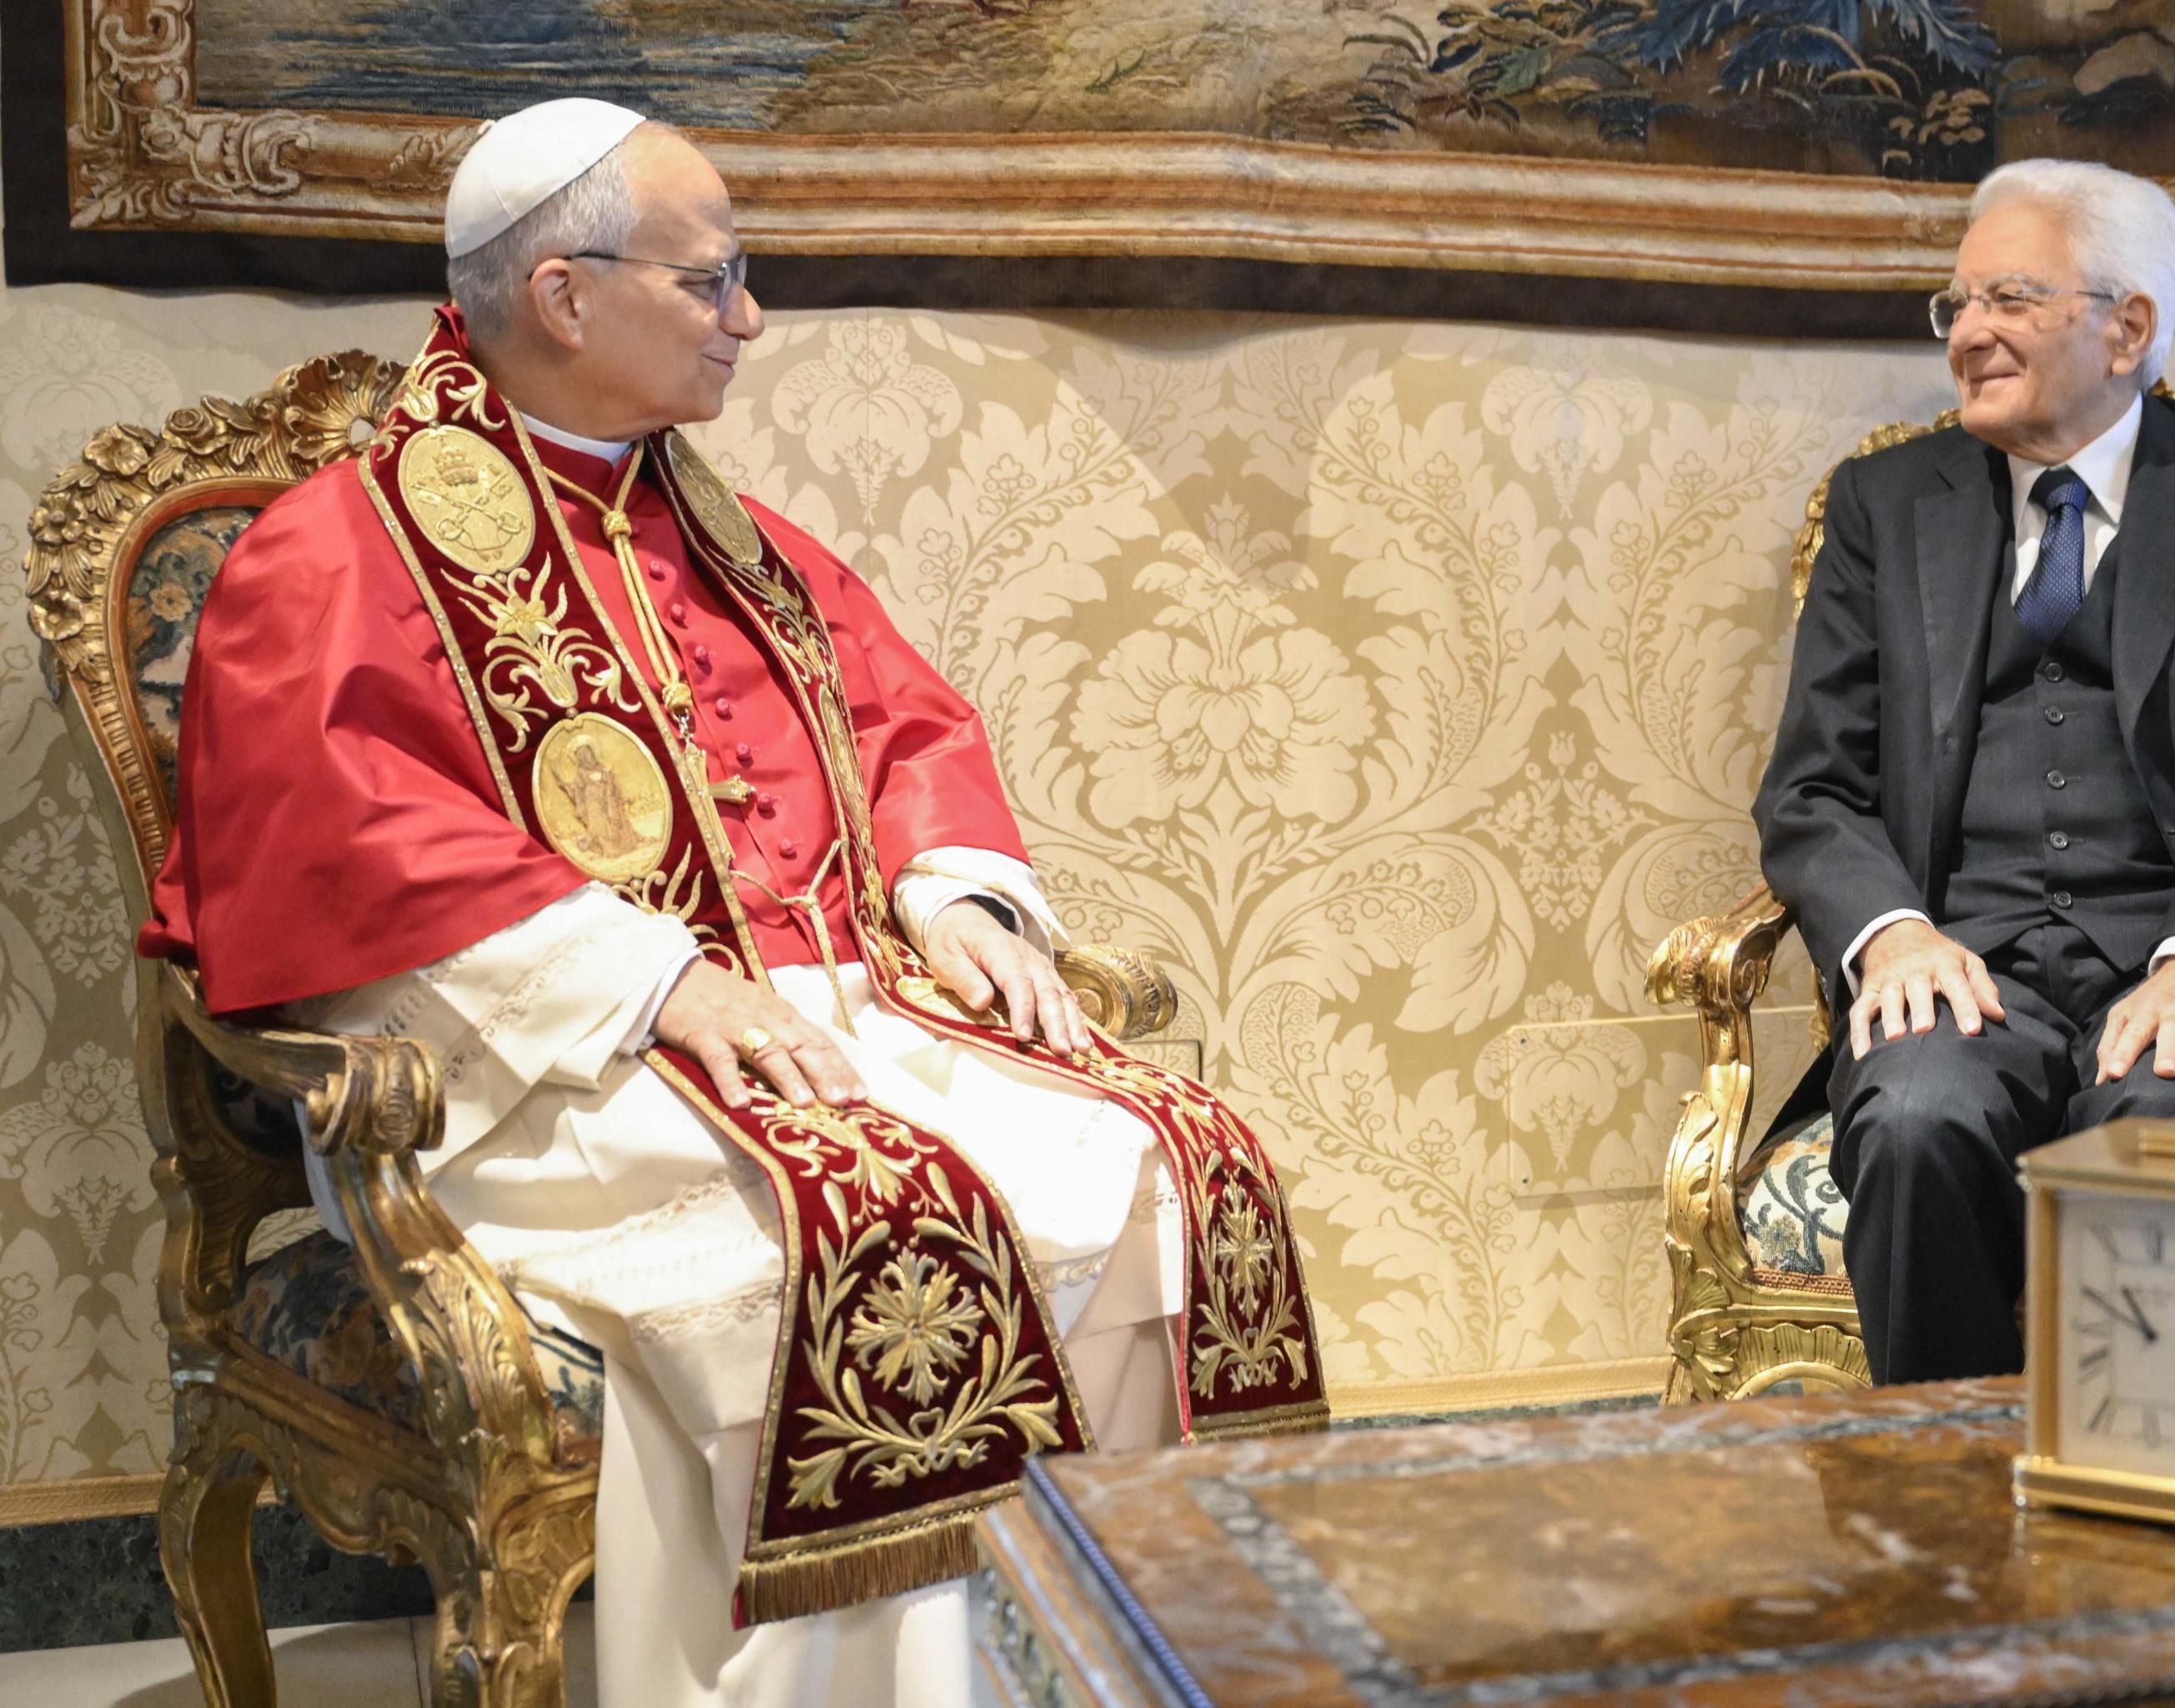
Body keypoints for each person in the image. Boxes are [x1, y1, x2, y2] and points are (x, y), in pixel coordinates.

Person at [143, 98, 1324, 1706]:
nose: (749, 320)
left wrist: (954, 899)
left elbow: (904, 723)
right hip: (537, 1065)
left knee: (1171, 1166)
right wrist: (654, 983)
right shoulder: (338, 553)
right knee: (874, 1229)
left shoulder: (734, 541)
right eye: (714, 281)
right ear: (564, 297)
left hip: (818, 1021)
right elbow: (343, 841)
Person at [1752, 158, 2175, 1389]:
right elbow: (1811, 787)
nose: (1970, 334)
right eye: (1956, 304)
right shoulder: (1884, 505)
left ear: (2130, 328)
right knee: (1914, 1117)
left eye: (2009, 297)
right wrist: (1893, 937)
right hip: (1965, 973)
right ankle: (1944, 1526)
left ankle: (2141, 1535)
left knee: (2163, 1127)